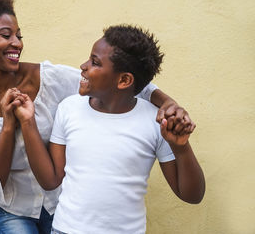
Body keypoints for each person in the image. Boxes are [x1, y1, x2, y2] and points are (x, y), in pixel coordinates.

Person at [0, 0, 196, 234]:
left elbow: (129, 83)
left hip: (57, 205)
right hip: (9, 211)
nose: (17, 42)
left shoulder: (51, 79)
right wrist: (8, 128)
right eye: (6, 35)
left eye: (19, 35)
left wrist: (169, 104)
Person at [14, 25, 205, 234]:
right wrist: (27, 123)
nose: (83, 66)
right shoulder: (69, 108)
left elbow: (192, 195)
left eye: (95, 62)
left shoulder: (156, 121)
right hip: (66, 229)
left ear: (124, 80)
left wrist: (182, 148)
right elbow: (50, 180)